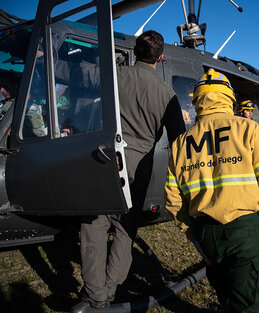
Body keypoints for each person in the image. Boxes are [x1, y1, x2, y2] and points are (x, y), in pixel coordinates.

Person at [165, 68, 259, 313]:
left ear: (197, 101)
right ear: (229, 98)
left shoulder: (180, 143)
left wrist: (192, 233)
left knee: (226, 293)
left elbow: (172, 199)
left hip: (206, 234)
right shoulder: (247, 128)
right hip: (243, 231)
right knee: (247, 303)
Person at [78, 30, 185, 309]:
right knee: (125, 230)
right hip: (138, 165)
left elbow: (82, 75)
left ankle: (95, 293)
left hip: (104, 159)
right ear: (160, 58)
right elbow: (179, 140)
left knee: (93, 226)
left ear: (135, 52)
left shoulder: (114, 77)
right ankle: (108, 292)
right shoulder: (167, 94)